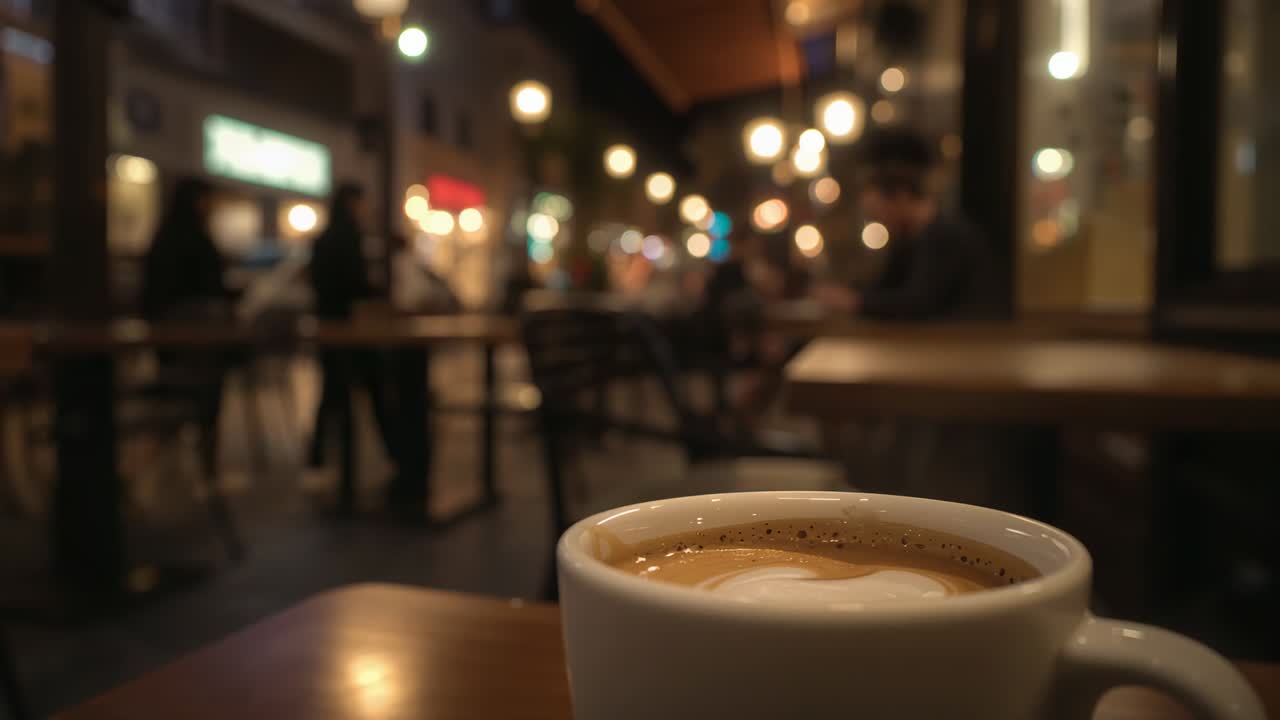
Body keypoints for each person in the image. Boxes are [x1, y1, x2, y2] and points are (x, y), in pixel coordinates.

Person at [815, 128, 991, 320]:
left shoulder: (946, 236)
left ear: (901, 195)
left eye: (879, 213)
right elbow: (884, 289)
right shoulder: (909, 239)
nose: (880, 221)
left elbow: (918, 304)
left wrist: (854, 302)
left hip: (960, 346)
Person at [307, 183, 401, 494]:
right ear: (351, 203)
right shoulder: (348, 237)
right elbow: (355, 285)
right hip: (352, 330)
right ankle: (394, 456)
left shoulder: (325, 237)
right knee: (372, 390)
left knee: (332, 394)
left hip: (329, 327)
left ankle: (320, 460)